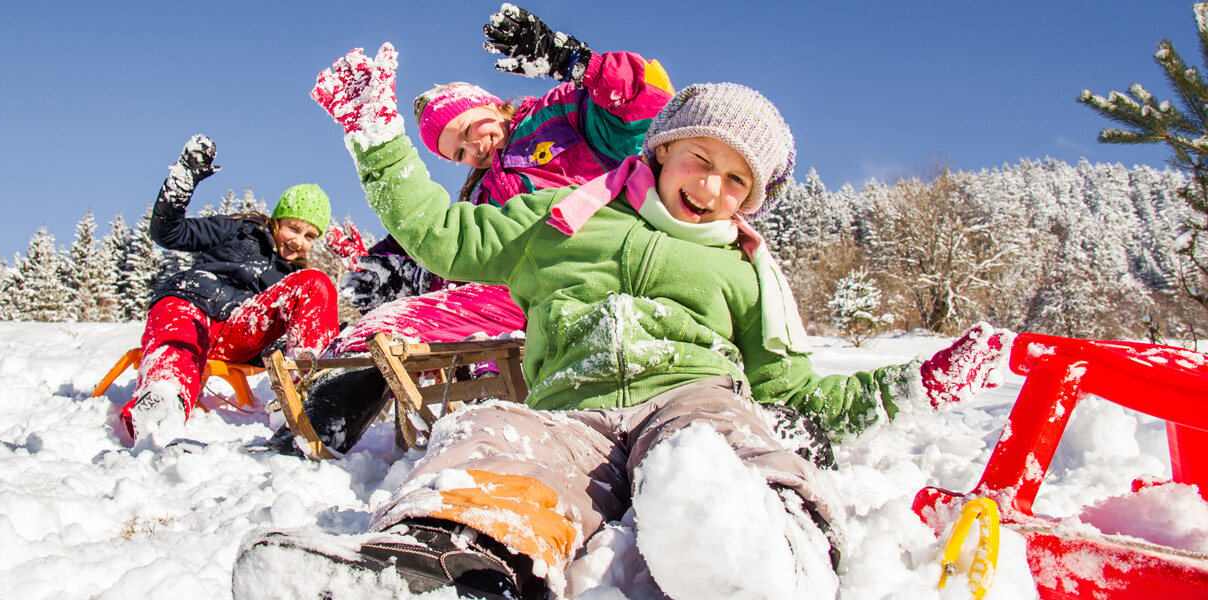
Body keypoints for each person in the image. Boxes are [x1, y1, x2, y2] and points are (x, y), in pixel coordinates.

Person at [234, 46, 1014, 600]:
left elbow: (793, 390)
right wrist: (379, 141)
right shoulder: (565, 218)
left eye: (737, 178)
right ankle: (438, 565)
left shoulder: (744, 267)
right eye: (699, 159)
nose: (712, 185)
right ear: (665, 149)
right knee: (496, 436)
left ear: (752, 198)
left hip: (691, 394)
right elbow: (445, 237)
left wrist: (916, 383)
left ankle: (768, 552)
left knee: (719, 443)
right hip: (574, 406)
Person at [261, 4, 677, 457]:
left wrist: (574, 61)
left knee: (395, 328)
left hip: (583, 279)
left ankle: (308, 439)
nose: (472, 149)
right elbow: (453, 247)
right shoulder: (478, 195)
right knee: (385, 328)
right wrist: (383, 262)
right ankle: (305, 431)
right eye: (457, 153)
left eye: (467, 129)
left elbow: (649, 107)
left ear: (487, 103)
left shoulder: (559, 117)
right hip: (511, 296)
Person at [120, 135, 339, 445]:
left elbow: (280, 335)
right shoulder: (242, 228)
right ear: (276, 220)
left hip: (238, 330)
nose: (298, 241)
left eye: (310, 236)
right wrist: (183, 182)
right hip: (190, 304)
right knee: (179, 337)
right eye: (293, 227)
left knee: (317, 282)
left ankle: (306, 400)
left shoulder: (295, 277)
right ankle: (163, 403)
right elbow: (168, 233)